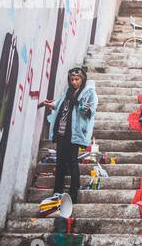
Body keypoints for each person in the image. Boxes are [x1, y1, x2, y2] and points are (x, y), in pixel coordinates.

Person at [39, 66, 98, 205]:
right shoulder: (67, 90)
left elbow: (90, 111)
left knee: (72, 162)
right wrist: (51, 104)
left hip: (75, 133)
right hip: (62, 130)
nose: (74, 82)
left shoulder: (89, 93)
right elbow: (61, 105)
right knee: (60, 162)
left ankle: (73, 192)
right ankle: (57, 191)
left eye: (77, 79)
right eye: (72, 79)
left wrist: (80, 104)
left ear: (82, 79)